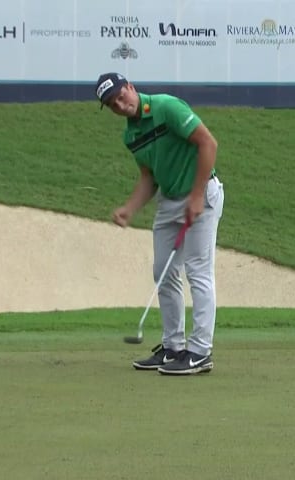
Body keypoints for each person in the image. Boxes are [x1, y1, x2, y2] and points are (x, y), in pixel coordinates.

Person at [95, 72, 224, 375]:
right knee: (162, 271)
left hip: (201, 192)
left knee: (198, 270)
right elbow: (148, 177)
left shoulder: (167, 107)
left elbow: (208, 144)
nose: (120, 104)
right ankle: (173, 347)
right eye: (112, 104)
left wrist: (195, 196)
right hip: (170, 201)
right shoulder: (131, 135)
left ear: (130, 87)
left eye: (120, 96)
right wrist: (129, 208)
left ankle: (200, 351)